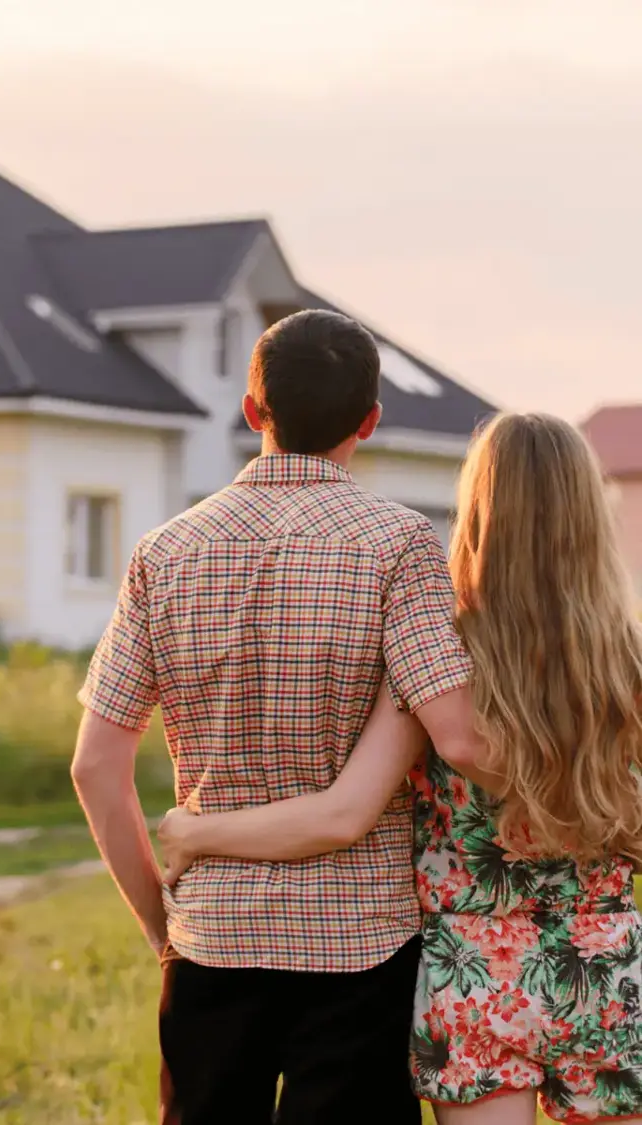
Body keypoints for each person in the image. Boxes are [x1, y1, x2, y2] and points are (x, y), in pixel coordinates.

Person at [158, 412, 642, 1125]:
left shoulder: (434, 657)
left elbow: (341, 812)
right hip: (602, 962)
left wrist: (197, 832)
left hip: (475, 971)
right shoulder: (625, 660)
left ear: (478, 511)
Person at [71, 309, 492, 1125]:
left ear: (253, 411)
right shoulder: (400, 545)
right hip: (361, 943)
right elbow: (460, 734)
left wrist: (166, 925)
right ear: (370, 421)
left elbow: (95, 766)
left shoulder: (165, 551)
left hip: (211, 937)